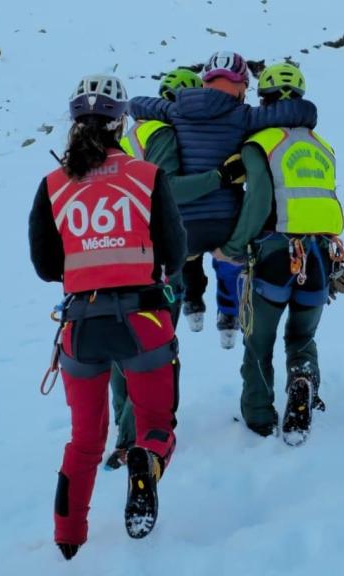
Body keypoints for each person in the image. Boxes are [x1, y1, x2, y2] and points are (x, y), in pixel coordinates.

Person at [28, 74, 187, 560]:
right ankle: (146, 459)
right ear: (120, 123)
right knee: (157, 423)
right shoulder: (145, 176)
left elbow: (44, 265)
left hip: (81, 327)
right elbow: (175, 252)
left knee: (84, 441)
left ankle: (68, 536)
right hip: (144, 323)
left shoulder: (54, 184)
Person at [128, 51, 318, 350]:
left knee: (172, 285)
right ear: (242, 86)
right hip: (226, 226)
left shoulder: (175, 112)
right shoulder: (243, 116)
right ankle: (237, 321)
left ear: (204, 83)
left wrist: (163, 105)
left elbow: (138, 103)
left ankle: (167, 340)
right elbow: (296, 112)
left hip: (182, 230)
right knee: (242, 261)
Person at [104, 68, 244, 470]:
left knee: (121, 348)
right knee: (153, 348)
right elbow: (168, 188)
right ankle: (137, 436)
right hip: (154, 259)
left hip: (116, 252)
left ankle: (124, 429)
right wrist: (219, 178)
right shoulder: (160, 135)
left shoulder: (126, 135)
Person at [212, 63, 344, 444]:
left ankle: (259, 416)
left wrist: (232, 248)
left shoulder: (262, 142)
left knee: (259, 343)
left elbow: (257, 201)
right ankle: (304, 381)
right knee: (302, 339)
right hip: (321, 256)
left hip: (273, 255)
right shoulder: (322, 146)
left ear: (264, 98)